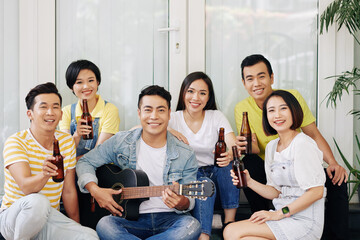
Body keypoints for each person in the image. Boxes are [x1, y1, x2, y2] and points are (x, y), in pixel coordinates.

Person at [234, 54, 349, 239]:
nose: (256, 83)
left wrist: (333, 162)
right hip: (271, 170)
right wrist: (240, 149)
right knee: (249, 161)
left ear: (272, 77)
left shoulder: (291, 99)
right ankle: (262, 220)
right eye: (250, 78)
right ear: (244, 82)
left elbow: (313, 134)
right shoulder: (242, 108)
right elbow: (253, 148)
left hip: (300, 167)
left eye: (261, 76)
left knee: (337, 180)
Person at [76, 85, 201, 240]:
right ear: (139, 113)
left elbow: (190, 201)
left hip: (170, 219)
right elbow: (85, 161)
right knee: (105, 225)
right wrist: (95, 190)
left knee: (192, 225)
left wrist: (181, 202)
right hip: (130, 219)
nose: (154, 116)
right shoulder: (121, 142)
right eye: (148, 110)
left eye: (161, 110)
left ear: (169, 114)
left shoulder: (185, 153)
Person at [0, 82, 98, 240]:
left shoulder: (66, 141)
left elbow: (68, 191)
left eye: (56, 107)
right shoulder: (16, 142)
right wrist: (45, 174)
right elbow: (26, 187)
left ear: (61, 113)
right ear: (30, 114)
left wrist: (75, 225)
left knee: (89, 236)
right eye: (43, 107)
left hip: (48, 218)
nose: (50, 112)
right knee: (39, 202)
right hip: (13, 218)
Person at [224, 90, 326, 239]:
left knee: (231, 231)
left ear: (294, 111)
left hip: (304, 222)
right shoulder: (272, 147)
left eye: (283, 108)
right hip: (283, 218)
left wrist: (279, 213)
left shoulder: (303, 144)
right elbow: (275, 192)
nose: (277, 115)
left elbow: (317, 192)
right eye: (271, 110)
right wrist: (250, 182)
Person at [168, 72, 246, 240]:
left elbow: (232, 143)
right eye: (191, 91)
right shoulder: (173, 118)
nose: (196, 97)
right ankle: (204, 234)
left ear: (208, 97)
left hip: (217, 173)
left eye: (202, 93)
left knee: (227, 164)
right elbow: (142, 128)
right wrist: (168, 129)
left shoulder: (215, 116)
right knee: (203, 182)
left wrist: (229, 155)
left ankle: (229, 222)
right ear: (183, 93)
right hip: (191, 175)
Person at [59, 59, 120, 228]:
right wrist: (77, 135)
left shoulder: (109, 110)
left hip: (99, 171)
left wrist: (73, 161)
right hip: (71, 170)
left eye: (91, 80)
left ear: (98, 82)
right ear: (72, 87)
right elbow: (64, 151)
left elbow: (101, 151)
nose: (86, 86)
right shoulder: (66, 112)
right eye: (79, 82)